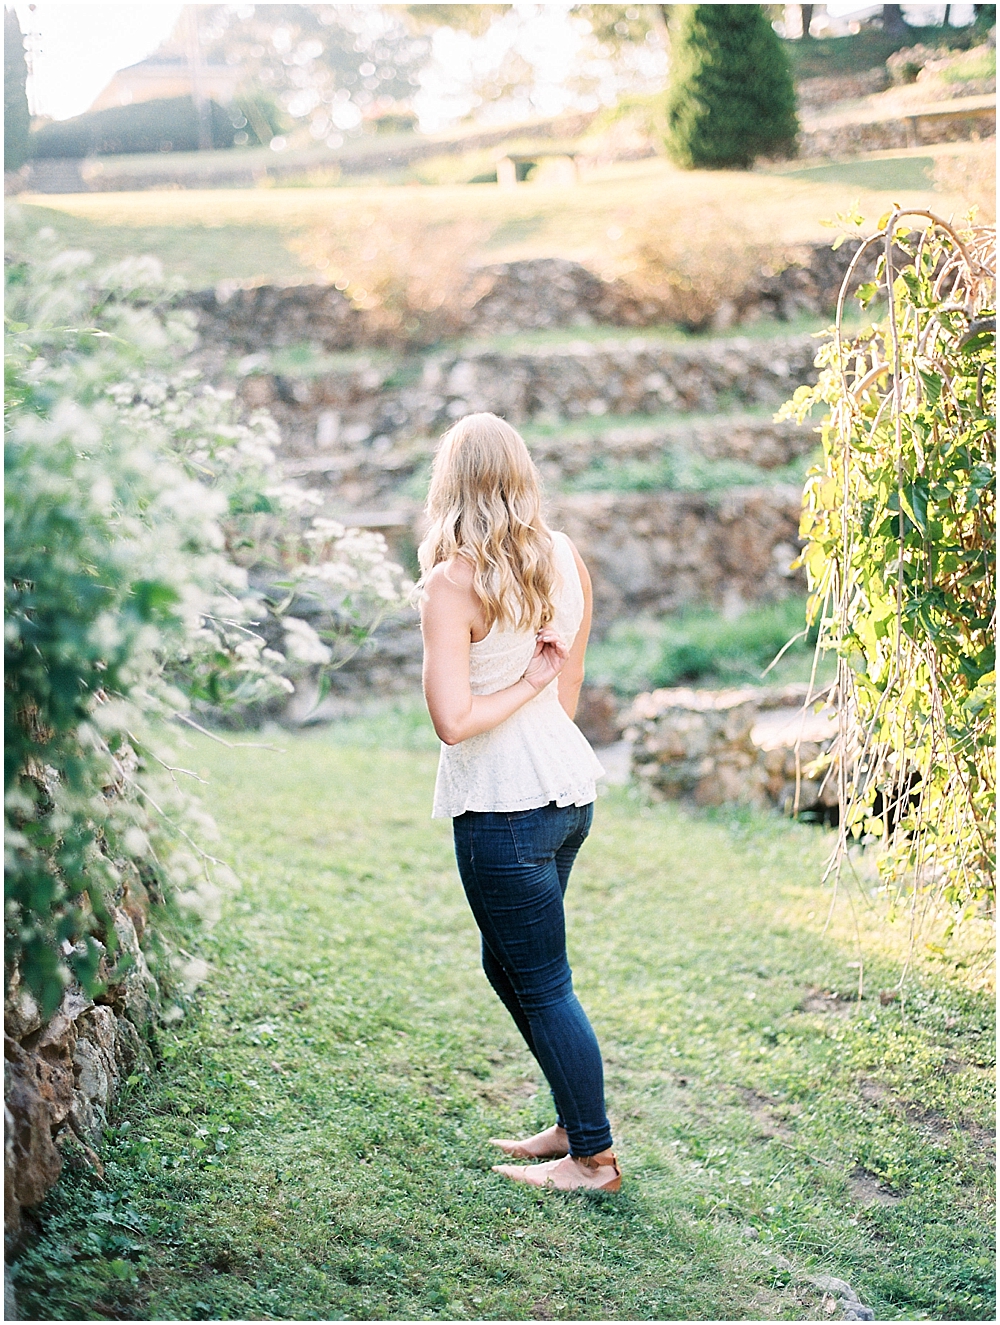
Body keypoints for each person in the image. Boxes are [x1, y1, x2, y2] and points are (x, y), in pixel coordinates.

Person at [417, 411, 620, 1194]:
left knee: (541, 980)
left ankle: (593, 1158)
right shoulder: (564, 558)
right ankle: (573, 1119)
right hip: (567, 794)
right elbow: (564, 700)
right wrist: (536, 687)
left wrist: (521, 682)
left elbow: (453, 720)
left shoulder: (450, 583)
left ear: (449, 484)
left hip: (504, 807)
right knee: (510, 966)